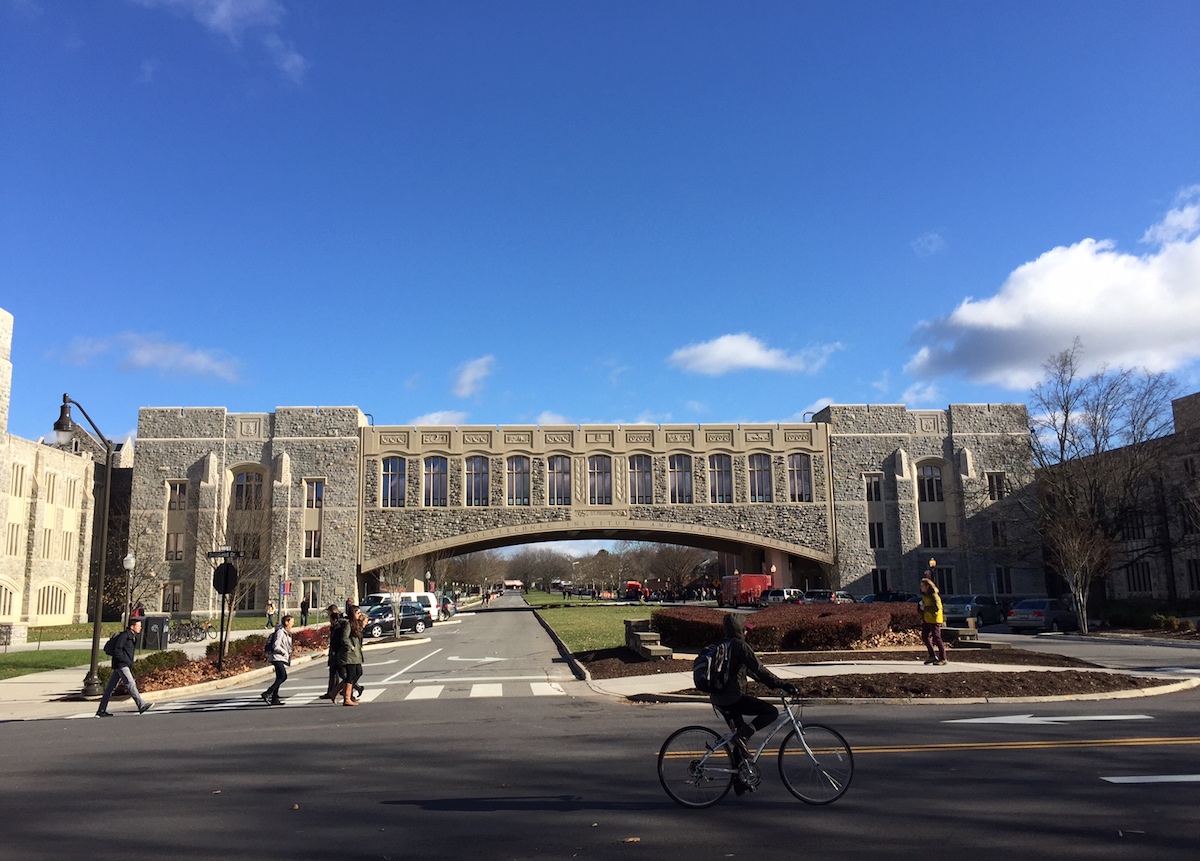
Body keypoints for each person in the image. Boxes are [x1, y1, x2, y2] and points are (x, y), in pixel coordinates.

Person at [707, 613, 797, 794]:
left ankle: (740, 781)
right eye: (745, 629)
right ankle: (741, 740)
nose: (747, 632)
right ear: (739, 629)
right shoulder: (741, 647)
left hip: (719, 699)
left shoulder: (722, 647)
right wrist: (783, 685)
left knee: (739, 741)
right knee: (770, 712)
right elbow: (760, 670)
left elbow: (751, 673)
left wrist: (770, 685)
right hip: (732, 698)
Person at [96, 619, 153, 717]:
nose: (140, 628)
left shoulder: (132, 637)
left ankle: (101, 710)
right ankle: (141, 705)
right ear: (132, 627)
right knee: (130, 683)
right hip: (121, 665)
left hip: (122, 665)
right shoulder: (124, 636)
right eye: (138, 626)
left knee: (110, 688)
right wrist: (125, 661)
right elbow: (117, 650)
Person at [261, 615, 295, 705]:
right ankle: (267, 693)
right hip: (277, 657)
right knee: (283, 676)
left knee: (279, 677)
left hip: (280, 657)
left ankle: (274, 698)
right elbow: (276, 645)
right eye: (291, 622)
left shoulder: (286, 632)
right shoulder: (280, 632)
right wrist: (284, 652)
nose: (292, 624)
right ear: (286, 622)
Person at [336, 607, 365, 706]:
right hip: (349, 654)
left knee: (358, 672)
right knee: (351, 674)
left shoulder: (356, 624)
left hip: (355, 654)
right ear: (353, 614)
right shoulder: (348, 624)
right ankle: (347, 698)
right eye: (358, 613)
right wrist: (351, 647)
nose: (359, 614)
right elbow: (344, 638)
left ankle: (335, 692)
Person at [919, 576, 947, 665]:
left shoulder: (934, 596)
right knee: (925, 636)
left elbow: (937, 608)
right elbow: (923, 606)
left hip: (935, 620)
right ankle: (932, 656)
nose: (921, 587)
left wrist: (925, 608)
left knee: (937, 638)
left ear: (927, 586)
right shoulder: (925, 596)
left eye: (922, 586)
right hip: (927, 619)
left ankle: (943, 658)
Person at [321, 605, 344, 702]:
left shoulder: (338, 625)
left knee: (342, 674)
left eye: (329, 612)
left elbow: (337, 640)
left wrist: (335, 652)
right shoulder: (335, 625)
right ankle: (332, 691)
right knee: (334, 673)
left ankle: (351, 689)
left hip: (337, 653)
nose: (328, 615)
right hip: (334, 652)